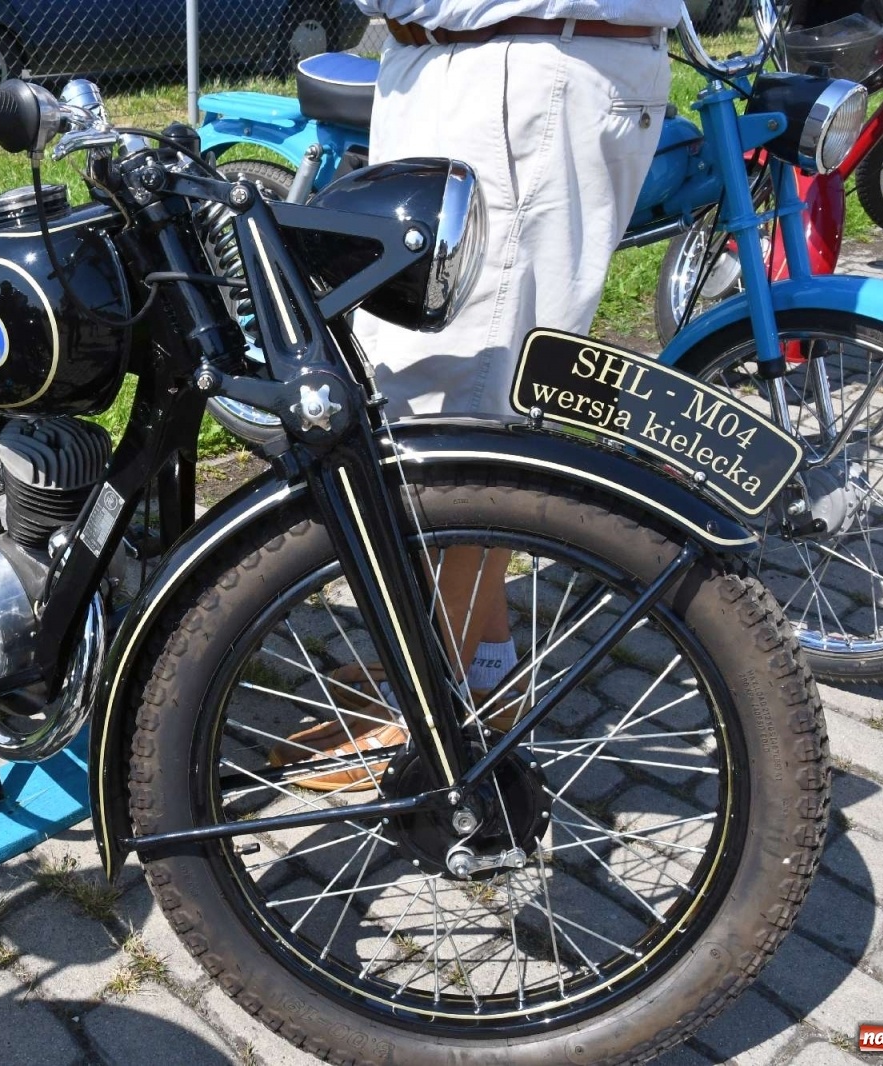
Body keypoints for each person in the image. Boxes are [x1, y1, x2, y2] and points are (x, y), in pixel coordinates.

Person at [272, 0, 678, 789]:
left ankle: (431, 712)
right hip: (485, 61)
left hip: (508, 67)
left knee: (457, 419)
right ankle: (478, 666)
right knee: (476, 398)